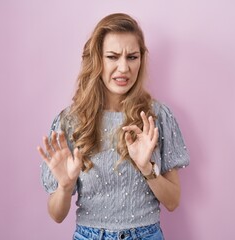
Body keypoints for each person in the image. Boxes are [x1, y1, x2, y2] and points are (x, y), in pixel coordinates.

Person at [37, 13, 189, 240]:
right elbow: (56, 214)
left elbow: (173, 201)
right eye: (112, 56)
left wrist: (147, 168)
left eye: (132, 57)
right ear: (98, 59)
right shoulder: (70, 121)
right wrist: (66, 186)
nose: (123, 68)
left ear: (141, 59)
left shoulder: (157, 117)